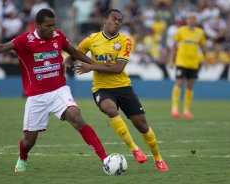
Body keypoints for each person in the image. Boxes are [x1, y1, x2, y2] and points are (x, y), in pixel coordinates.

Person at [0, 8, 108, 173]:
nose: (52, 29)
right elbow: (3, 47)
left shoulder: (58, 36)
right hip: (37, 96)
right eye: (48, 26)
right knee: (29, 141)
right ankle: (23, 157)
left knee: (76, 117)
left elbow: (74, 52)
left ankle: (105, 159)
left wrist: (94, 65)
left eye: (53, 25)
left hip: (59, 90)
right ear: (38, 25)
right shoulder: (24, 40)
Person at [66, 9, 169, 172]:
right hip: (102, 88)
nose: (118, 22)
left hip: (123, 87)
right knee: (110, 109)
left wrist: (91, 66)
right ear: (105, 20)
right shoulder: (92, 40)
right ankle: (135, 149)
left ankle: (158, 158)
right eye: (114, 19)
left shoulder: (125, 41)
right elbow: (75, 53)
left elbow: (118, 68)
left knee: (142, 126)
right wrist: (66, 63)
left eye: (120, 20)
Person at [170, 12, 207, 118]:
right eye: (189, 18)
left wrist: (205, 59)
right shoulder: (181, 31)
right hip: (181, 61)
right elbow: (174, 46)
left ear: (196, 20)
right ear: (186, 20)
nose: (191, 20)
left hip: (193, 63)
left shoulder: (200, 32)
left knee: (190, 85)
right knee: (179, 82)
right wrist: (171, 60)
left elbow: (203, 46)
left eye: (193, 18)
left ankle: (186, 111)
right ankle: (175, 109)